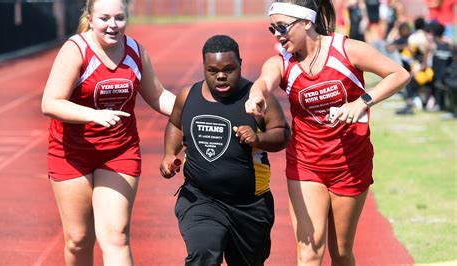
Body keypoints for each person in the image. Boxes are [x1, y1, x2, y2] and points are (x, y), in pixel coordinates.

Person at [245, 1, 410, 265]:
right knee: (308, 252)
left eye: (282, 27)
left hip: (350, 163)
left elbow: (399, 74)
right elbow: (264, 81)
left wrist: (361, 102)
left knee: (341, 252)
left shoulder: (347, 50)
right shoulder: (282, 63)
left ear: (307, 22)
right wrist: (256, 95)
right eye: (272, 28)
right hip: (306, 163)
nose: (277, 34)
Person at [40, 0, 175, 264]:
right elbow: (50, 103)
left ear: (127, 17)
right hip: (72, 154)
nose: (112, 25)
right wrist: (93, 115)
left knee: (116, 236)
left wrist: (197, 110)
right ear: (90, 18)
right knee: (79, 240)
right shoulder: (76, 50)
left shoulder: (135, 50)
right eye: (104, 18)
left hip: (119, 152)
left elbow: (158, 96)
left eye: (119, 18)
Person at [160, 35, 290, 265]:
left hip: (250, 204)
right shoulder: (187, 96)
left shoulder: (256, 98)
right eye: (212, 71)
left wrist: (257, 139)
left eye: (229, 69)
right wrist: (170, 154)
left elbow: (282, 134)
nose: (221, 75)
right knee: (203, 253)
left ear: (240, 63)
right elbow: (175, 124)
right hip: (200, 198)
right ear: (204, 67)